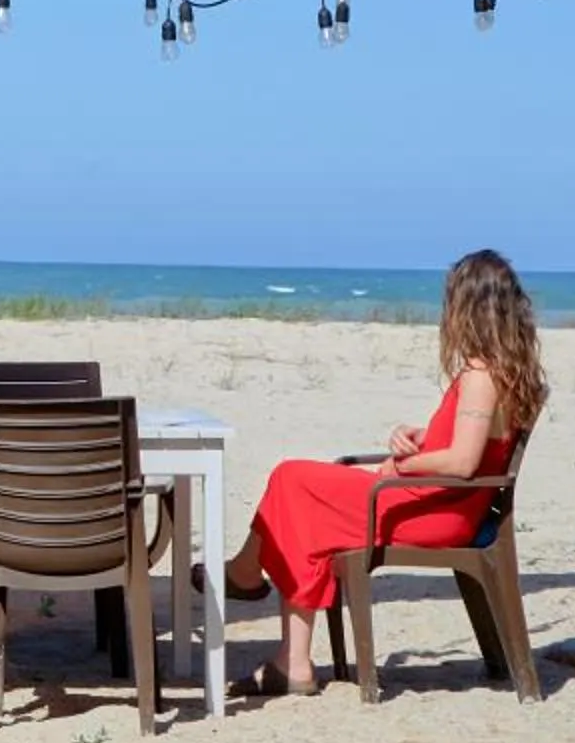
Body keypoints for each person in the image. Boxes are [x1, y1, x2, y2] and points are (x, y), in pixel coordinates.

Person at [194, 249, 549, 699]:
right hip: (441, 501)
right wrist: (418, 437)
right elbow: (478, 441)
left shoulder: (481, 375)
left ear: (468, 307)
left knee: (292, 480)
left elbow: (462, 462)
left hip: (435, 510)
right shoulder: (510, 373)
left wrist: (402, 465)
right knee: (300, 495)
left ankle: (254, 590)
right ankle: (287, 651)